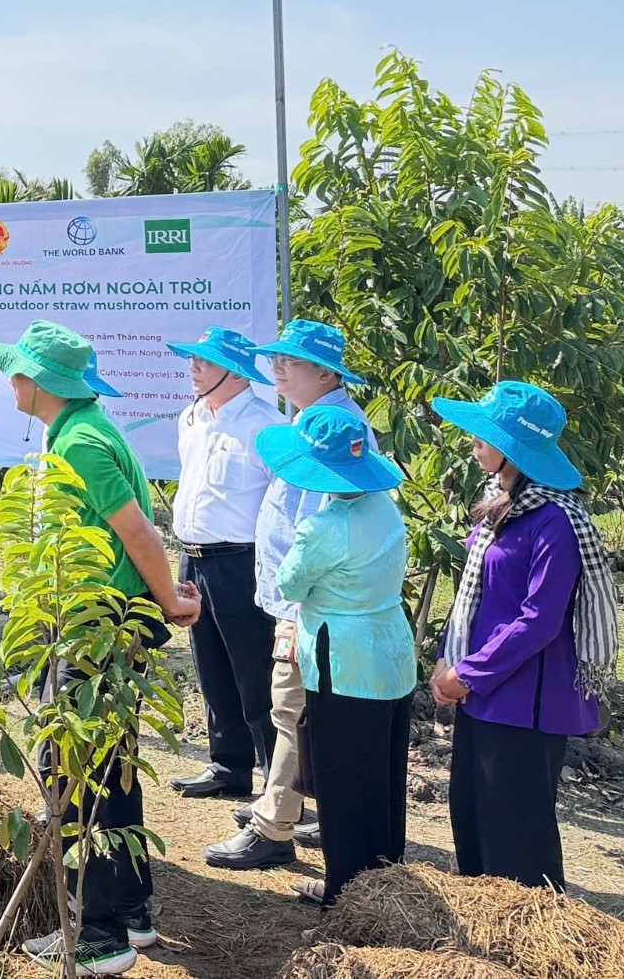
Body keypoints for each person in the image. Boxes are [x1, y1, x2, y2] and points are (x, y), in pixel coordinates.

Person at [0, 320, 200, 975]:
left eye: (19, 370)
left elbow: (136, 530)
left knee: (83, 778)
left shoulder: (80, 441)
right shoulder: (83, 428)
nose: (11, 380)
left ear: (43, 382)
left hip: (97, 630)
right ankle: (132, 912)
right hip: (103, 626)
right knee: (114, 772)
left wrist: (170, 601)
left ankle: (102, 932)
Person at [431, 382, 618, 892]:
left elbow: (540, 619)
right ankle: (484, 927)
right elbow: (477, 592)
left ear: (514, 448)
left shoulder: (555, 521)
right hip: (485, 692)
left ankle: (532, 939)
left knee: (517, 831)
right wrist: (450, 660)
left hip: (524, 699)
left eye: (486, 436)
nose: (474, 442)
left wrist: (467, 673)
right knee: (473, 815)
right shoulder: (502, 504)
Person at [213, 319, 373, 870]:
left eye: (291, 361)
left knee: (290, 709)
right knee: (293, 709)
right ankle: (281, 802)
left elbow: (326, 528)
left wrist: (300, 605)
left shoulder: (336, 428)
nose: (276, 367)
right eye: (276, 358)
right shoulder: (312, 418)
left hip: (311, 602)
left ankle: (274, 826)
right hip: (299, 599)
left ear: (326, 372)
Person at [255, 405, 412, 906]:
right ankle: (384, 881)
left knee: (343, 785)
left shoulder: (322, 527)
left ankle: (345, 894)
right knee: (383, 778)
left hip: (342, 664)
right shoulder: (385, 507)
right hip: (390, 653)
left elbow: (291, 582)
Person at [163, 328, 281, 802]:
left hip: (242, 563)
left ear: (233, 371)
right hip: (194, 559)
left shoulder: (265, 426)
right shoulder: (190, 418)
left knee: (254, 675)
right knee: (210, 666)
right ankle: (228, 766)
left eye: (204, 362)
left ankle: (277, 782)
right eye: (192, 358)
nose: (193, 368)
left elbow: (282, 503)